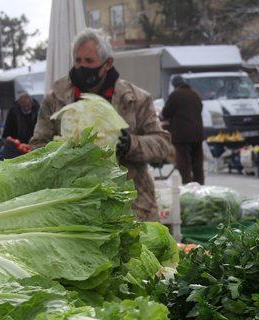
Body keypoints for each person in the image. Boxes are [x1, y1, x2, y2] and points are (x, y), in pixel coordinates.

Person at [30, 29, 173, 222]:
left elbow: (162, 144)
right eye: (78, 60)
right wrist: (62, 155)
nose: (81, 66)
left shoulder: (136, 99)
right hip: (74, 205)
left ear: (108, 64)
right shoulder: (56, 98)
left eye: (89, 61)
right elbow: (38, 145)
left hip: (132, 205)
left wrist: (131, 144)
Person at [162, 75, 204, 184]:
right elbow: (200, 109)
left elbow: (166, 113)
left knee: (184, 162)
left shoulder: (175, 95)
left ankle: (187, 184)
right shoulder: (195, 94)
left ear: (174, 85)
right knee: (197, 161)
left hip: (182, 135)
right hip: (197, 133)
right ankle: (200, 185)